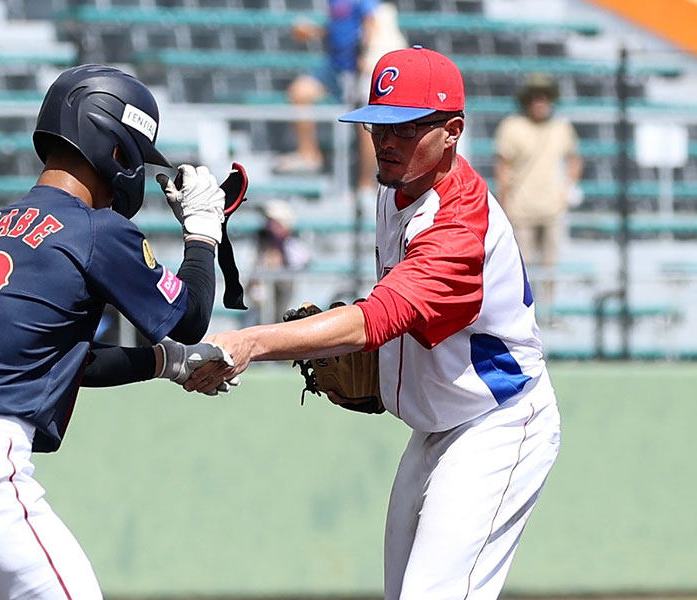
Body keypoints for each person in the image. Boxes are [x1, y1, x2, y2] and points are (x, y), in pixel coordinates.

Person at [185, 47, 562, 599]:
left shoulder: (458, 228)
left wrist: (251, 341)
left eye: (406, 128)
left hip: (498, 426)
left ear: (452, 131)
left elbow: (377, 320)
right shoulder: (401, 187)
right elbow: (393, 308)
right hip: (437, 426)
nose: (386, 141)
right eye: (378, 125)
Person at [0, 65, 234, 599]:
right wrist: (203, 232)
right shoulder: (93, 226)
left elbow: (61, 361)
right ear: (118, 150)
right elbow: (190, 316)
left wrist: (167, 362)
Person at [494, 73, 583, 309]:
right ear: (527, 100)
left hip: (553, 209)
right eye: (536, 97)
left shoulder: (561, 127)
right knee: (520, 268)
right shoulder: (512, 127)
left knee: (551, 266)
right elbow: (503, 168)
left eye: (544, 97)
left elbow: (575, 160)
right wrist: (505, 206)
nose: (540, 102)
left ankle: (550, 312)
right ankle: (523, 314)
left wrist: (567, 190)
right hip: (521, 210)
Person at [245, 200, 310, 326]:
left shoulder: (295, 247)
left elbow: (299, 265)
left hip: (287, 312)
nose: (269, 226)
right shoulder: (258, 247)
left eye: (273, 222)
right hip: (261, 315)